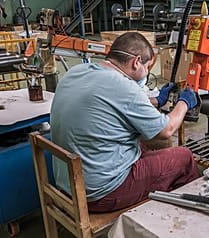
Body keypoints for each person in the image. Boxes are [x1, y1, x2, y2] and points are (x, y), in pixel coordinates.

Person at [50, 32, 200, 213]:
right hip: (99, 194)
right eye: (147, 67)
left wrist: (157, 101)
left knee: (149, 145)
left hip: (69, 184)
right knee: (183, 157)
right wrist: (184, 103)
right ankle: (181, 217)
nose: (147, 73)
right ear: (136, 62)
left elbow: (111, 102)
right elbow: (167, 129)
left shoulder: (77, 72)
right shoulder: (124, 87)